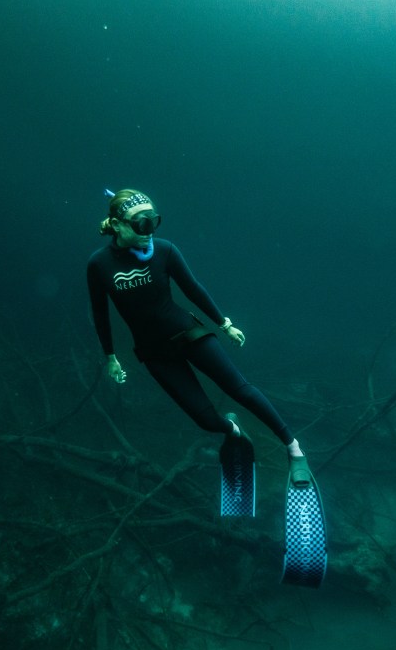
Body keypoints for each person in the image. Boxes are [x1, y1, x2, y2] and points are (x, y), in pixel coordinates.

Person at [86, 188, 304, 464]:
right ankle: (232, 429)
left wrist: (225, 325)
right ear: (117, 225)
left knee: (240, 389)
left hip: (189, 334)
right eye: (140, 223)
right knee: (204, 419)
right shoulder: (99, 264)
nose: (148, 229)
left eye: (153, 220)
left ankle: (293, 446)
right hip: (154, 353)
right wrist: (111, 357)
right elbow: (99, 311)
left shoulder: (165, 250)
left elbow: (193, 290)